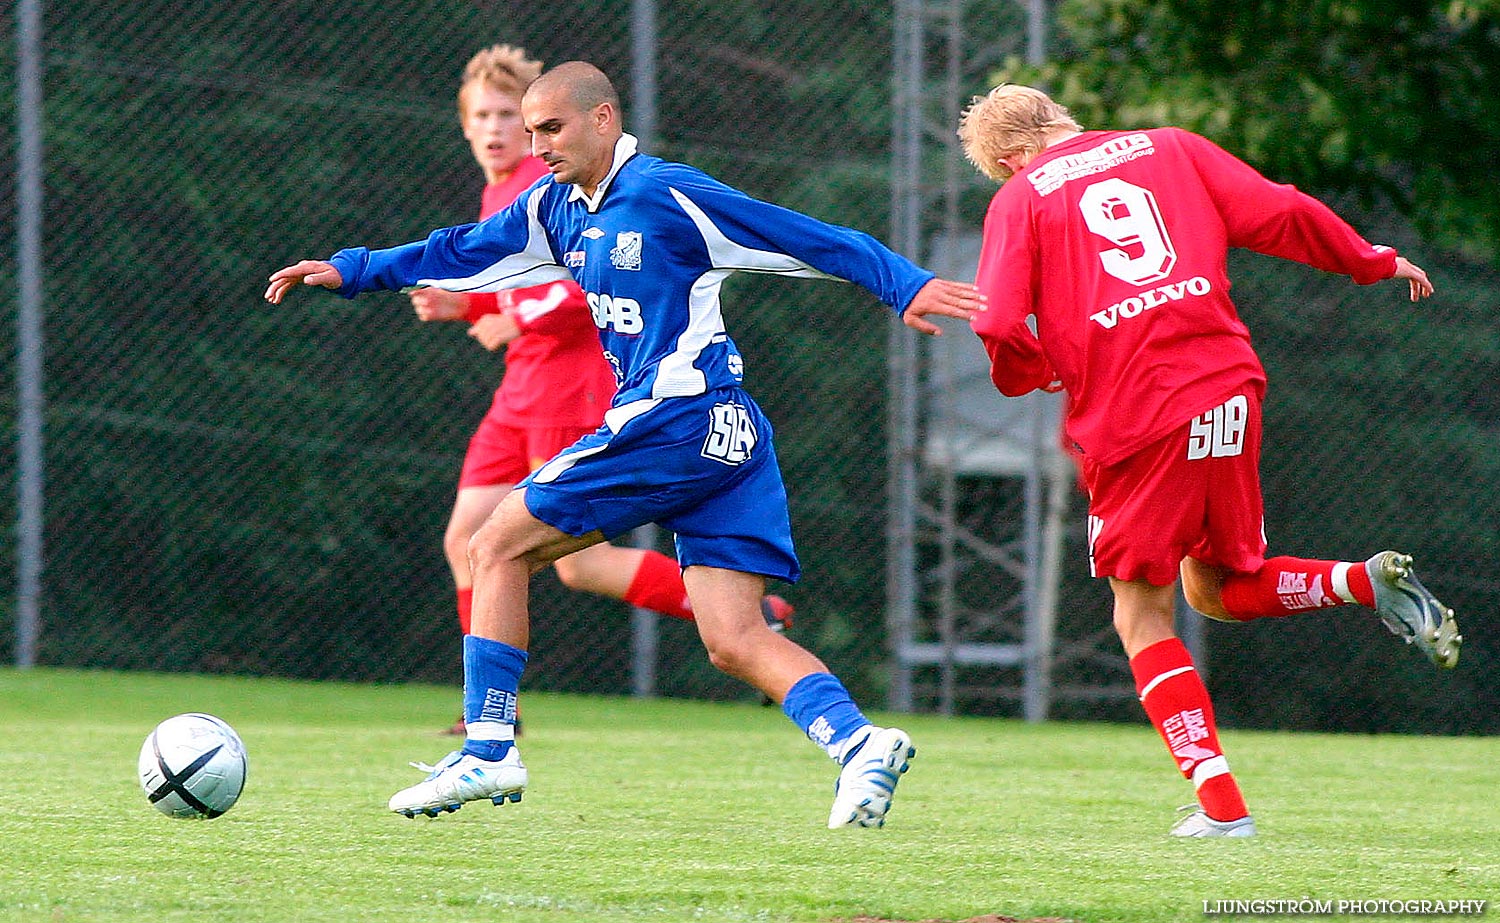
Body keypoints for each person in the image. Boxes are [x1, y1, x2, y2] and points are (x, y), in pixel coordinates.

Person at [267, 60, 985, 828]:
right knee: (734, 639)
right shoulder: (553, 208)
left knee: (495, 545)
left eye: (552, 127)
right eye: (531, 130)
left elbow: (806, 237)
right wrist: (353, 269)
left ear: (604, 119)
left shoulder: (669, 192)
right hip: (726, 433)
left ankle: (487, 750)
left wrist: (902, 283)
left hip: (673, 421)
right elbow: (460, 252)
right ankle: (860, 743)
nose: (536, 145)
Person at [957, 84, 1462, 838]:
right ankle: (1361, 581)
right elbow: (1282, 208)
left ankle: (1223, 810)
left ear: (1007, 158)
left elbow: (997, 319)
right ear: (1060, 118)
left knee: (1141, 613)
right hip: (1227, 384)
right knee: (1219, 587)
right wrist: (1369, 259)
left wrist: (1034, 370)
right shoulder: (1172, 147)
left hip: (1135, 411)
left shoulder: (1023, 197)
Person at [411, 46, 793, 733]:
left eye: (511, 115)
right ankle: (495, 714)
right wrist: (465, 305)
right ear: (464, 125)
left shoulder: (559, 185)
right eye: (483, 116)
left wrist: (495, 314)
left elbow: (579, 286)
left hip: (566, 383)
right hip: (518, 390)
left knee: (580, 566)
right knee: (466, 535)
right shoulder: (500, 189)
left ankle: (754, 617)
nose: (499, 130)